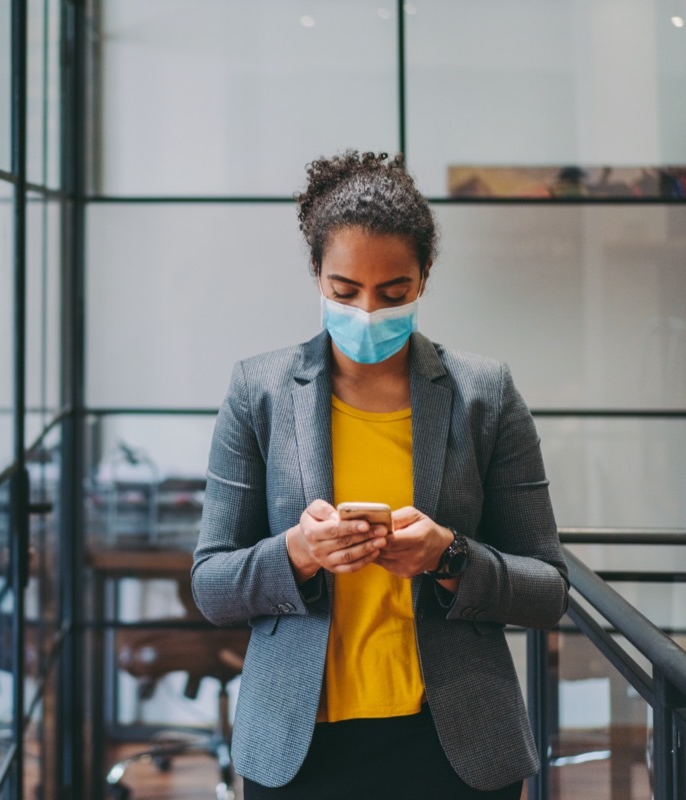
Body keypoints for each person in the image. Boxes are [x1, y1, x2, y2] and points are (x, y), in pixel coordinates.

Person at [190, 150, 568, 799]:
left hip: (455, 743)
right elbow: (211, 585)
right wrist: (298, 554)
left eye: (394, 293)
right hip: (300, 749)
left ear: (423, 276)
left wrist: (448, 556)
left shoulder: (484, 395)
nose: (368, 312)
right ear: (316, 274)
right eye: (344, 291)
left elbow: (547, 589)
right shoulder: (260, 393)